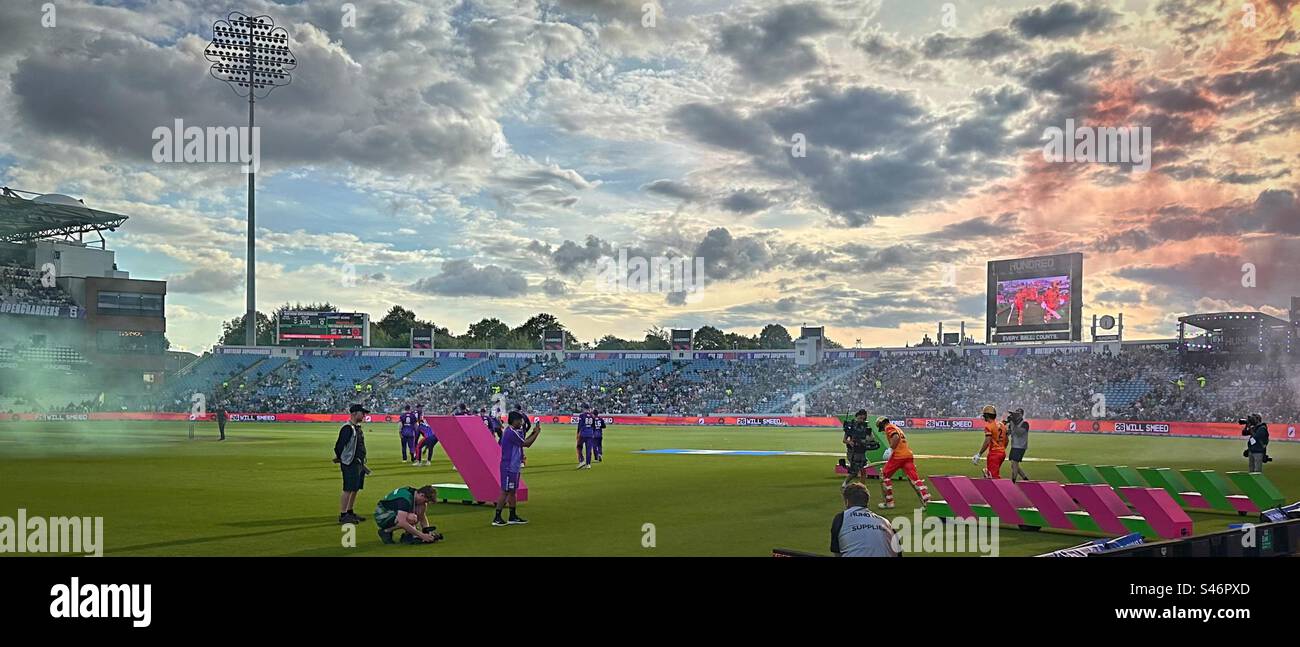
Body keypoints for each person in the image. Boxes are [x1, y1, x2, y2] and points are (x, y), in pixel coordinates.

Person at [494, 411, 541, 527]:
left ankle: (512, 516)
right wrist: (536, 433)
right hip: (508, 466)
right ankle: (497, 517)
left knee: (512, 491)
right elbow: (526, 444)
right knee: (505, 491)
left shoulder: (515, 431)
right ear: (514, 421)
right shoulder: (510, 432)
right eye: (520, 420)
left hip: (514, 466)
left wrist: (533, 433)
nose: (521, 422)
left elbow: (523, 442)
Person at [830, 483, 898, 557]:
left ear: (847, 501)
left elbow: (837, 554)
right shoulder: (886, 522)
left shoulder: (841, 518)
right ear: (867, 501)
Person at [876, 416, 930, 509]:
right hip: (907, 455)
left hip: (898, 455)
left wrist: (891, 448)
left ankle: (889, 502)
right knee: (915, 479)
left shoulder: (889, 427)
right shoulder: (896, 427)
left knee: (884, 476)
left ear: (881, 424)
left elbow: (896, 437)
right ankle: (927, 503)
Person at [333, 404, 371, 524]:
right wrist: (341, 458)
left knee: (355, 488)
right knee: (348, 488)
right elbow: (339, 445)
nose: (364, 415)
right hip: (350, 463)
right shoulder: (348, 428)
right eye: (362, 413)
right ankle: (343, 514)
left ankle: (349, 511)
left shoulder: (357, 427)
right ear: (354, 413)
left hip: (358, 463)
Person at [374, 485, 442, 544]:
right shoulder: (405, 500)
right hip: (382, 515)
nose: (425, 503)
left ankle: (408, 535)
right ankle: (386, 531)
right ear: (422, 495)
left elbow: (422, 516)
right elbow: (402, 522)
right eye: (425, 501)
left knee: (418, 509)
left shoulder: (415, 494)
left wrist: (427, 531)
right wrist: (421, 535)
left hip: (391, 511)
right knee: (411, 518)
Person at [841, 409, 877, 488]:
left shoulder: (866, 428)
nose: (861, 419)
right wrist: (850, 442)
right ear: (857, 417)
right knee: (855, 471)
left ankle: (862, 486)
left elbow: (872, 438)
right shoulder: (851, 427)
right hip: (852, 451)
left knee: (863, 470)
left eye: (863, 418)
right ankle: (845, 482)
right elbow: (844, 440)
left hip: (861, 451)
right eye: (860, 417)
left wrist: (866, 440)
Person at [972, 404, 1008, 479]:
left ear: (987, 416)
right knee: (993, 473)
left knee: (994, 478)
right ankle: (987, 472)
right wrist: (1002, 448)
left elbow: (987, 441)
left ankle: (1000, 489)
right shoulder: (1002, 425)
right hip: (1002, 453)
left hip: (994, 454)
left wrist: (979, 454)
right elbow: (1007, 440)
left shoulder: (989, 426)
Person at [1007, 408, 1030, 482]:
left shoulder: (1025, 424)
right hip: (1014, 446)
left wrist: (1013, 423)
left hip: (1020, 446)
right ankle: (1025, 478)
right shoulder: (1013, 423)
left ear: (1022, 415)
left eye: (1018, 414)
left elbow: (1019, 432)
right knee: (1014, 465)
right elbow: (1008, 433)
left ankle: (1013, 480)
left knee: (1014, 463)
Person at [576, 404, 597, 469]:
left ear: (584, 409)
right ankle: (588, 464)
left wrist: (577, 433)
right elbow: (594, 426)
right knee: (589, 449)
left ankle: (582, 460)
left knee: (579, 447)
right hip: (590, 434)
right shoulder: (592, 416)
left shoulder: (582, 415)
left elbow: (580, 425)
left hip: (583, 434)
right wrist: (593, 433)